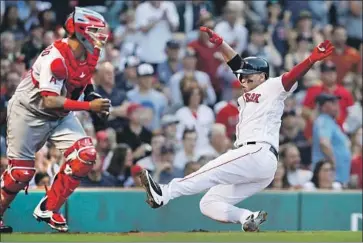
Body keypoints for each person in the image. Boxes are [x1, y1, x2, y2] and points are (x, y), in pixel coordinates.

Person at [140, 26, 334, 232]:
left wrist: (311, 60)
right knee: (208, 203)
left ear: (262, 76)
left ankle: (165, 193)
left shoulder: (273, 86)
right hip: (260, 164)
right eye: (242, 76)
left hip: (256, 151)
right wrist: (221, 43)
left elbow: (291, 76)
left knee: (209, 172)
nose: (243, 78)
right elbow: (236, 63)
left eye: (249, 75)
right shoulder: (248, 91)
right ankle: (247, 217)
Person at [0, 7, 111, 233]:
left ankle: (49, 208)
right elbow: (50, 100)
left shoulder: (88, 52)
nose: (101, 36)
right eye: (94, 31)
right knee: (20, 174)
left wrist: (91, 94)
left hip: (60, 114)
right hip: (29, 112)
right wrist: (88, 106)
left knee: (86, 155)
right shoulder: (56, 57)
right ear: (79, 31)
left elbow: (82, 77)